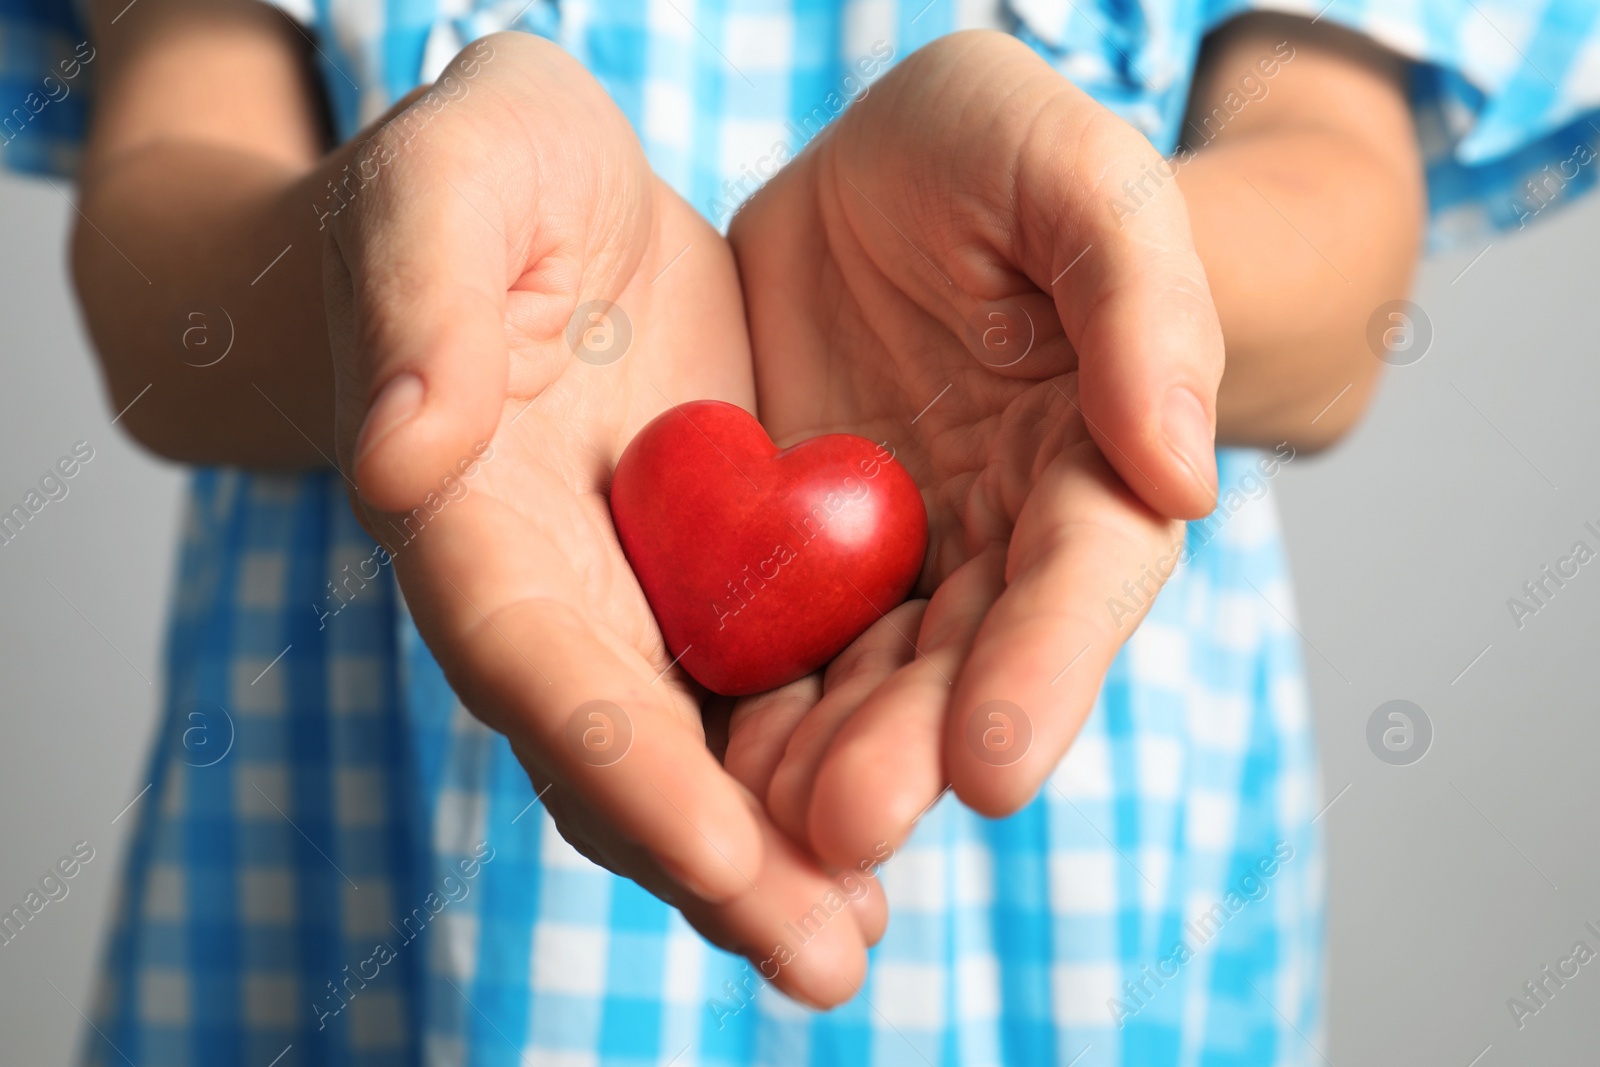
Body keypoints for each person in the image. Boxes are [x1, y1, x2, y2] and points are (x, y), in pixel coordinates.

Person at [3, 0, 1597, 1062]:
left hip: (1083, 831)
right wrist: (391, 260)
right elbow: (160, 275)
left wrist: (1104, 273)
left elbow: (1343, 235)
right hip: (362, 877)